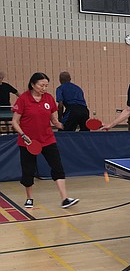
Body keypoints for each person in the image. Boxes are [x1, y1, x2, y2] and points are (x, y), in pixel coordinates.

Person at [10, 72, 79, 209]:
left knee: (57, 167)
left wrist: (59, 124)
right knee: (28, 171)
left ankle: (65, 199)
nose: (44, 88)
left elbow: (53, 120)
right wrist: (23, 136)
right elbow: (15, 122)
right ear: (33, 84)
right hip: (28, 142)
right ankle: (29, 198)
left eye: (46, 86)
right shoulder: (23, 99)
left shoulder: (48, 98)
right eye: (41, 85)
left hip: (47, 139)